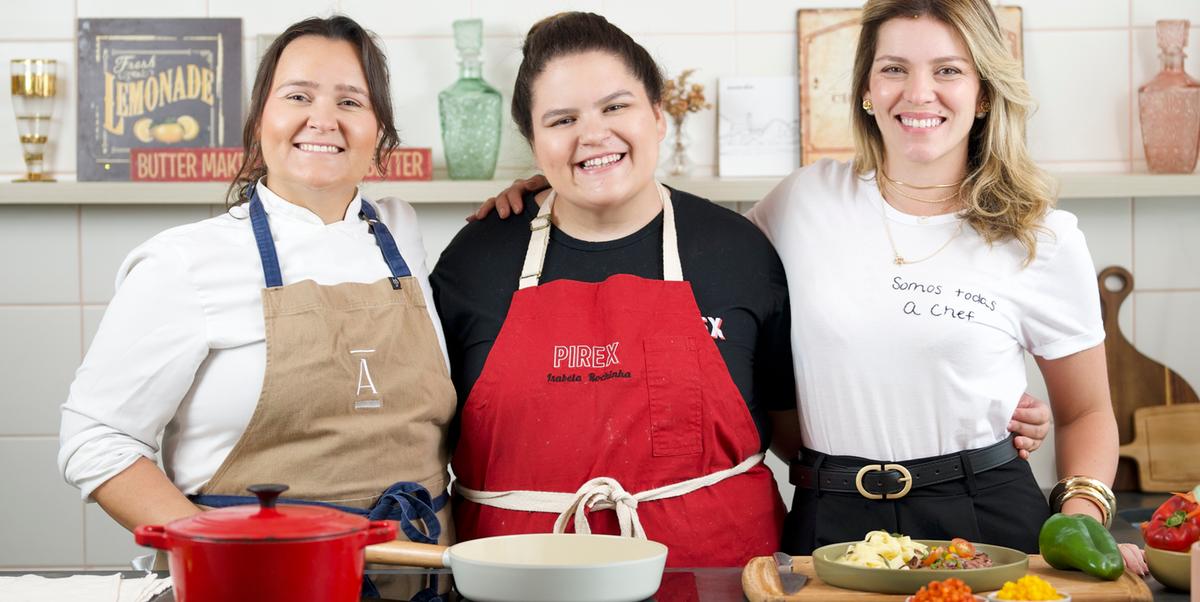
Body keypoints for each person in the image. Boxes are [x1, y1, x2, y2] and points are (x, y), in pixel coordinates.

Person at [476, 0, 1147, 573]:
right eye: (894, 69)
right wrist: (566, 185)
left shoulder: (1041, 236)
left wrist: (1082, 518)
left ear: (983, 91)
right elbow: (679, 241)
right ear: (864, 88)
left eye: (948, 70)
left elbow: (1086, 412)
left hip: (986, 510)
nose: (919, 94)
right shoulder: (800, 203)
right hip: (831, 518)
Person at [58, 16, 455, 598]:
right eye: (298, 96)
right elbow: (95, 437)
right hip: (260, 584)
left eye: (351, 100)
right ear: (259, 120)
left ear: (379, 132)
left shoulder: (401, 233)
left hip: (423, 581)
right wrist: (212, 548)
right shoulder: (185, 261)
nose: (323, 119)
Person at [430, 12, 794, 567]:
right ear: (533, 141)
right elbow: (425, 441)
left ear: (657, 114)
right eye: (562, 119)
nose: (593, 134)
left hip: (719, 578)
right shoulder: (474, 261)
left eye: (615, 106)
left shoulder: (738, 251)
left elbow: (793, 431)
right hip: (515, 582)